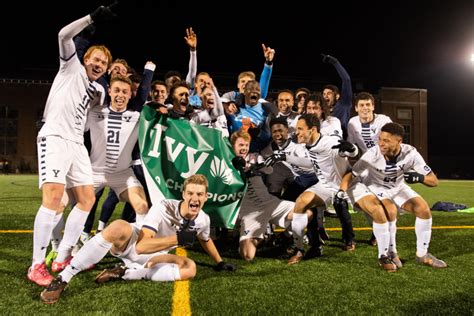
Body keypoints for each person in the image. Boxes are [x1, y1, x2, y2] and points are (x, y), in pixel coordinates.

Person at [40, 174, 236, 304]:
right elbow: (141, 246)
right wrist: (176, 238)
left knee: (190, 268)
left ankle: (125, 273)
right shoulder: (164, 207)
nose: (195, 198)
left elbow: (205, 239)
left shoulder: (203, 219)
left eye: (200, 194)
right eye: (191, 193)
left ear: (206, 197)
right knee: (118, 226)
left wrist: (219, 262)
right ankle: (64, 278)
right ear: (184, 194)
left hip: (154, 256)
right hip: (133, 244)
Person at [27, 5, 115, 287]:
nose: (99, 64)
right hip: (55, 137)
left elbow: (99, 106)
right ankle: (37, 265)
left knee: (87, 200)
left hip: (77, 144)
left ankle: (62, 255)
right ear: (85, 58)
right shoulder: (70, 66)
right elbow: (64, 35)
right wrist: (91, 20)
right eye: (96, 59)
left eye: (104, 63)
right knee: (53, 201)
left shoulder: (100, 90)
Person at [343, 122, 447, 269]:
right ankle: (392, 253)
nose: (381, 144)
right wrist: (342, 191)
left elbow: (433, 180)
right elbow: (352, 174)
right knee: (390, 210)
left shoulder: (410, 153)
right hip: (376, 187)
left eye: (386, 140)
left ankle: (422, 254)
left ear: (399, 141)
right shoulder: (373, 153)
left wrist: (420, 178)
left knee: (423, 209)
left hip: (398, 187)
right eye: (380, 139)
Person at [284, 114, 359, 264]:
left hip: (346, 185)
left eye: (300, 129)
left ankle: (359, 241)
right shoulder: (306, 145)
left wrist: (352, 148)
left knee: (361, 210)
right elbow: (308, 162)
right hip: (325, 186)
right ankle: (300, 249)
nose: (296, 132)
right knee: (301, 202)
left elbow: (347, 151)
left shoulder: (329, 142)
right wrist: (282, 157)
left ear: (312, 130)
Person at [230, 130, 295, 261]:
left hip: (269, 203)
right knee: (247, 255)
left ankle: (285, 237)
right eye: (240, 145)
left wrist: (252, 167)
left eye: (246, 145)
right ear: (232, 146)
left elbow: (269, 169)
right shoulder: (226, 162)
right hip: (249, 211)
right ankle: (261, 236)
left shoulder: (254, 156)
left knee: (304, 212)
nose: (244, 148)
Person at [347, 91, 392, 246]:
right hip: (366, 164)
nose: (365, 108)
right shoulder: (352, 123)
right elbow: (352, 146)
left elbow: (391, 141)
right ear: (356, 108)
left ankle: (387, 233)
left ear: (373, 107)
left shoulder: (384, 120)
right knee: (367, 200)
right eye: (361, 105)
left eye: (368, 105)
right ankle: (376, 231)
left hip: (385, 163)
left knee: (386, 200)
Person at [320, 54, 352, 137]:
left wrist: (335, 62)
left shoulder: (344, 105)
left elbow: (346, 80)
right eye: (323, 94)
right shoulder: (321, 111)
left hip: (341, 144)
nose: (325, 96)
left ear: (337, 96)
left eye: (329, 93)